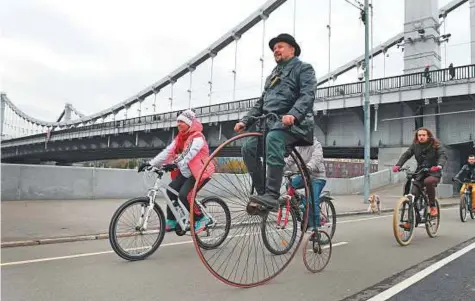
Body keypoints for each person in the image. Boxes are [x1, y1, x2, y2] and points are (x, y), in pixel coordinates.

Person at [234, 33, 316, 211]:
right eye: (273, 48)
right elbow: (261, 103)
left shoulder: (304, 69)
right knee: (248, 146)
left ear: (292, 49)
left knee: (274, 138)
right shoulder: (272, 76)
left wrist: (293, 114)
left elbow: (307, 94)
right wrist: (245, 121)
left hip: (296, 125)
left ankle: (272, 194)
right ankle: (264, 193)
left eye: (280, 46)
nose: (275, 50)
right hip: (270, 124)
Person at [138, 109, 215, 233]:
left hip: (200, 172)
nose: (178, 124)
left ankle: (202, 218)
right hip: (186, 172)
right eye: (178, 121)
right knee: (170, 191)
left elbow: (188, 154)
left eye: (182, 121)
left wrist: (174, 164)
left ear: (189, 123)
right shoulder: (179, 138)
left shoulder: (197, 137)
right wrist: (151, 164)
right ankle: (172, 221)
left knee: (185, 195)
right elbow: (167, 152)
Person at [392, 127, 448, 218]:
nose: (421, 137)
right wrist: (398, 165)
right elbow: (407, 154)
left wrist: (439, 166)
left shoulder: (436, 144)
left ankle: (432, 206)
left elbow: (442, 155)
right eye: (419, 135)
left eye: (423, 135)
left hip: (433, 172)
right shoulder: (415, 145)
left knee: (428, 182)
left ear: (428, 136)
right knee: (413, 194)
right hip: (420, 172)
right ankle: (411, 221)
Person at [284, 138, 327, 229]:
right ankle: (300, 207)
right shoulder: (298, 147)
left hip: (317, 177)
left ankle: (316, 227)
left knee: (312, 200)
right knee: (289, 185)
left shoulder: (316, 145)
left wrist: (308, 167)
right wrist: (278, 167)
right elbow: (289, 162)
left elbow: (316, 158)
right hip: (304, 176)